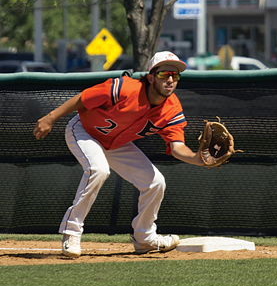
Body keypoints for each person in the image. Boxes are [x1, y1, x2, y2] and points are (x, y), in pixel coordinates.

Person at [33, 51, 205, 258]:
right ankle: (71, 232)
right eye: (164, 74)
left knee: (156, 182)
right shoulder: (125, 88)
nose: (170, 80)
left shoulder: (172, 109)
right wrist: (50, 118)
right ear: (150, 77)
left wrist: (197, 158)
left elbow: (177, 148)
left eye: (175, 75)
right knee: (98, 169)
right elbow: (83, 98)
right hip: (84, 130)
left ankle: (145, 239)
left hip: (117, 143)